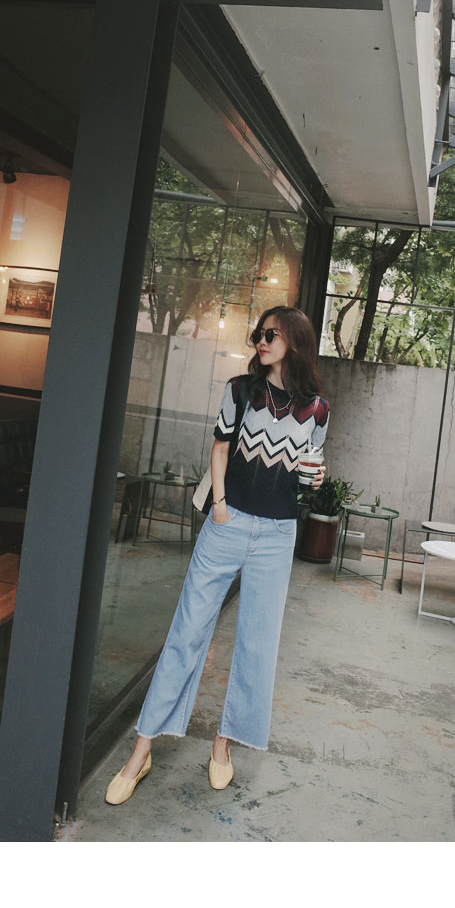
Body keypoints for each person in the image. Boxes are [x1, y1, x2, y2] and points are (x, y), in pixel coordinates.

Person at [105, 305, 329, 804]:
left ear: (294, 342)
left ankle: (223, 743)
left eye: (271, 334)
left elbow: (311, 469)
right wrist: (221, 507)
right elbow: (221, 449)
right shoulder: (241, 390)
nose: (261, 341)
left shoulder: (317, 409)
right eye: (259, 333)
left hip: (278, 533)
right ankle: (141, 751)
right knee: (186, 632)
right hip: (228, 524)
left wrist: (315, 478)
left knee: (257, 642)